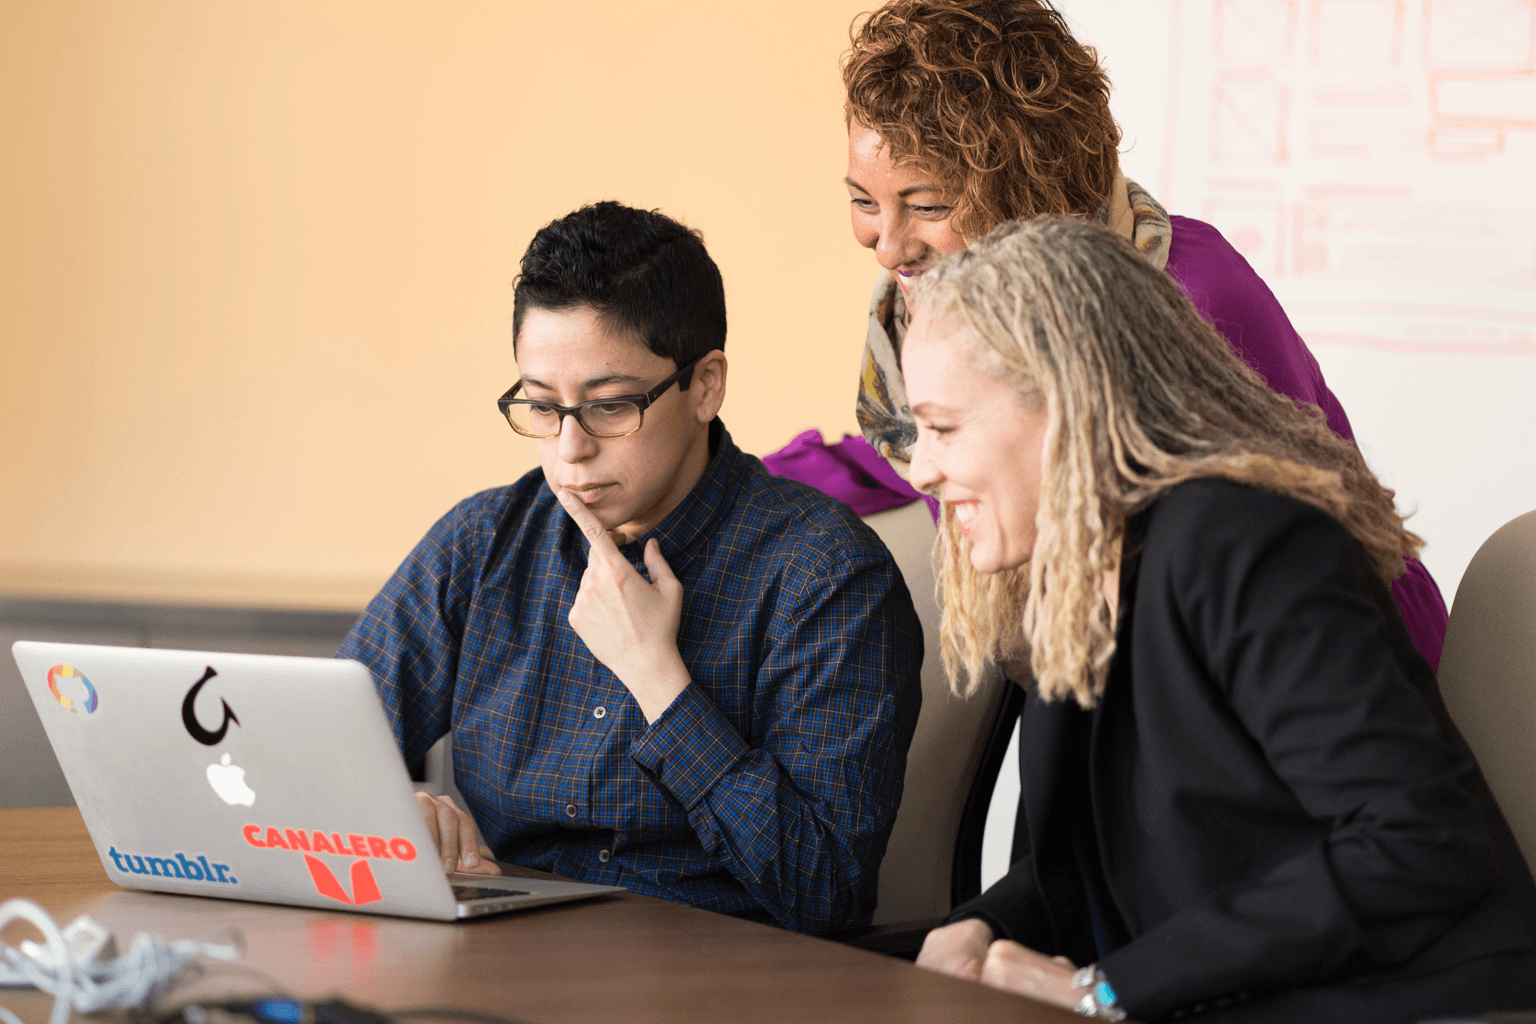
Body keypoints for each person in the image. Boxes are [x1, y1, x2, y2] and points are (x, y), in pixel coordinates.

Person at [901, 216, 1536, 1023]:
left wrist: (1105, 991)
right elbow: (1100, 860)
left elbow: (1416, 841)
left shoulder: (1248, 541)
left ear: (1067, 401)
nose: (921, 468)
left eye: (943, 427)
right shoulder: (1077, 571)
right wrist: (982, 927)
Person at [338, 201, 923, 934]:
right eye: (543, 407)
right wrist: (389, 814)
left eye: (610, 407)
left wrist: (657, 678)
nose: (570, 449)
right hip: (505, 964)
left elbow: (824, 890)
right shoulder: (484, 544)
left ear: (705, 385)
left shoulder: (826, 575)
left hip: (723, 981)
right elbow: (319, 755)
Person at [840, 0, 1449, 670]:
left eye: (927, 207)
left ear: (1024, 187)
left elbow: (1299, 557)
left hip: (1330, 668)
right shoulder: (933, 316)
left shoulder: (1189, 296)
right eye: (864, 202)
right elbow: (925, 446)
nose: (887, 247)